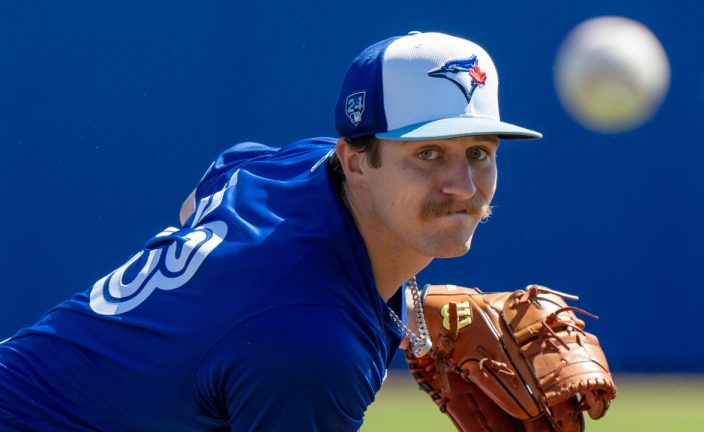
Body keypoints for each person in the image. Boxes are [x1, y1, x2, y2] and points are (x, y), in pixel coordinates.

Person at [0, 31, 540, 431]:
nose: (464, 186)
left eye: (479, 153)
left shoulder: (294, 166)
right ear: (354, 162)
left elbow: (218, 181)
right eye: (427, 154)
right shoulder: (312, 346)